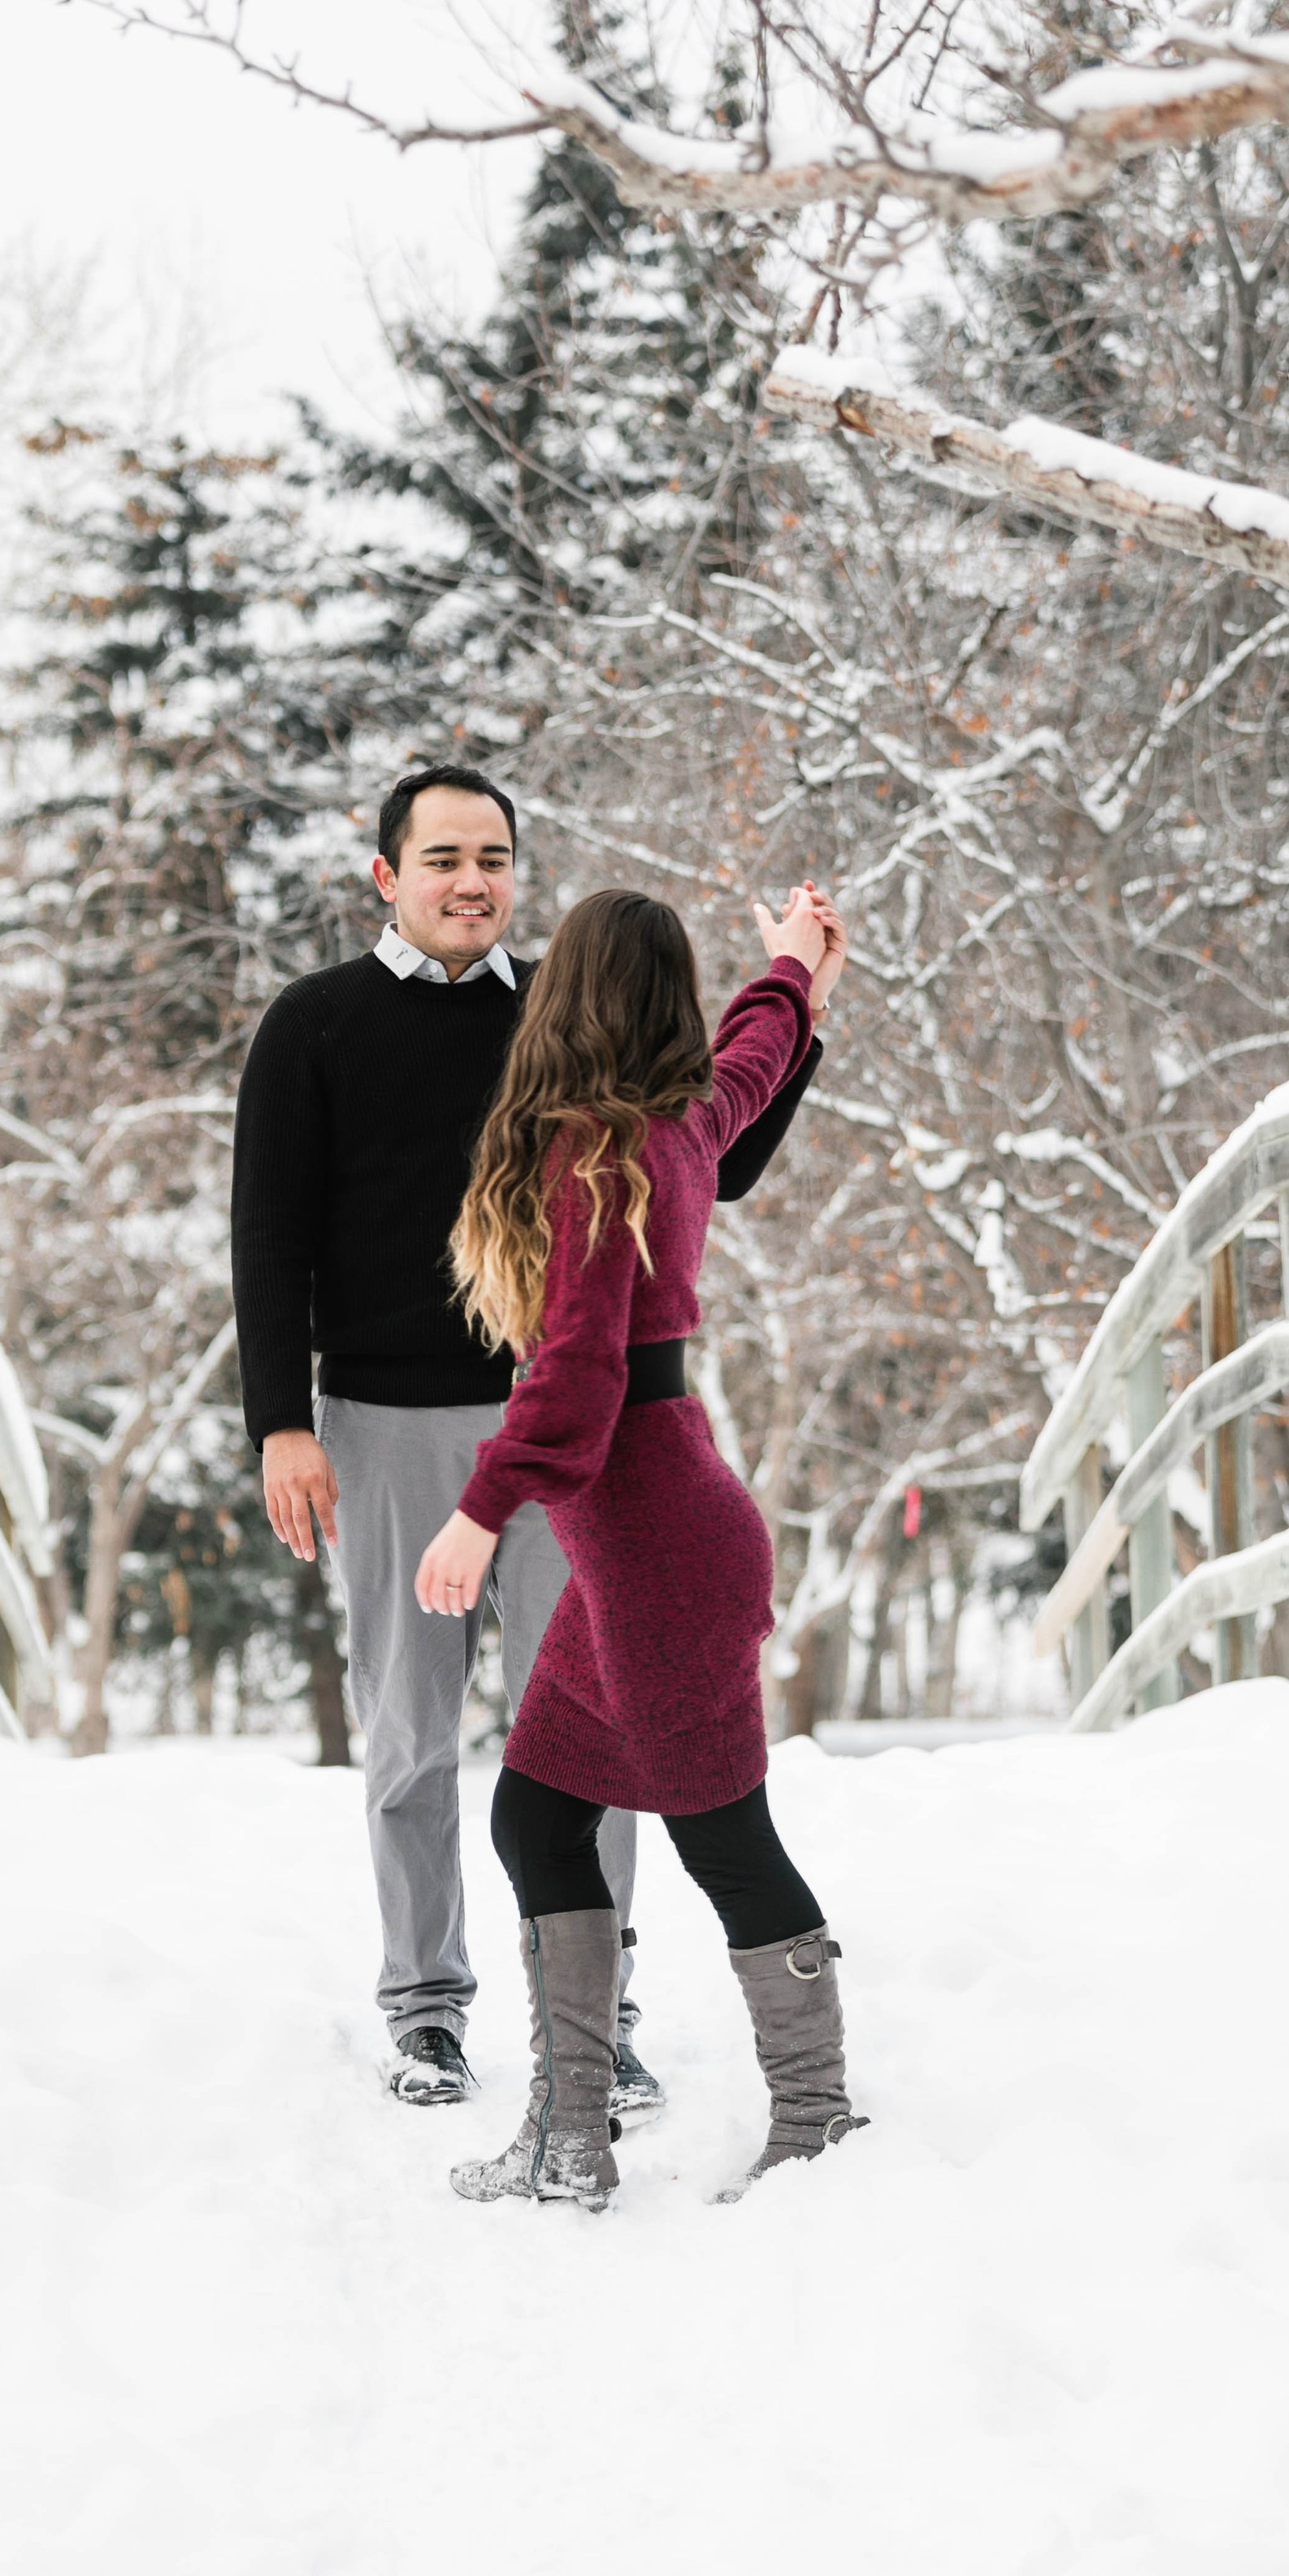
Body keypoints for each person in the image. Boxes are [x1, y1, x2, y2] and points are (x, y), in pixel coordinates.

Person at [230, 768, 835, 2111]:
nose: (472, 881)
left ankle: (598, 2026)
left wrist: (801, 1018)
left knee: (590, 1735)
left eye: (493, 857)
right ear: (386, 875)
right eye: (442, 858)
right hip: (384, 1423)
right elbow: (268, 1232)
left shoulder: (562, 1017)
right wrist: (280, 1421)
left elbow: (716, 1152)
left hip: (576, 1434)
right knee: (408, 1725)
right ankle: (425, 2009)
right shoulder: (313, 1024)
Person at [414, 884, 866, 2210]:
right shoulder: (672, 1129)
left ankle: (816, 2120)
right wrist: (795, 974)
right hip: (645, 1545)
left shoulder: (599, 1155)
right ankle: (571, 2135)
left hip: (661, 1548)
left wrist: (480, 1508)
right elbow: (753, 1061)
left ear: (564, 998)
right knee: (538, 1813)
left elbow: (578, 1375)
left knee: (724, 1840)